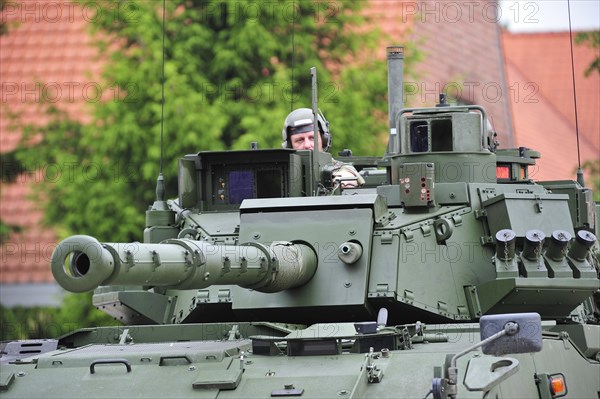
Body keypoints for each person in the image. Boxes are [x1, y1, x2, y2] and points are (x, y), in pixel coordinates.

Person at [282, 108, 364, 188]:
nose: (307, 145)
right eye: (299, 140)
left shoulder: (336, 167)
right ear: (290, 145)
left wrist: (338, 179)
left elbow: (348, 174)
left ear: (324, 139)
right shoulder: (282, 172)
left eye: (312, 138)